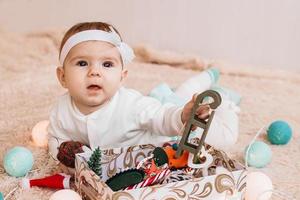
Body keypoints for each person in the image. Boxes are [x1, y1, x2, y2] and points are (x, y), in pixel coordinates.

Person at [48, 22, 239, 169]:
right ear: (62, 77)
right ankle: (191, 86)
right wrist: (68, 159)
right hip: (158, 104)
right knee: (178, 95)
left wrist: (183, 116)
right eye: (82, 63)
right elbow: (56, 142)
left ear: (122, 77)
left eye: (107, 64)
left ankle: (224, 99)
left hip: (165, 126)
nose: (94, 72)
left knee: (222, 139)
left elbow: (163, 118)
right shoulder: (60, 110)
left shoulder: (131, 104)